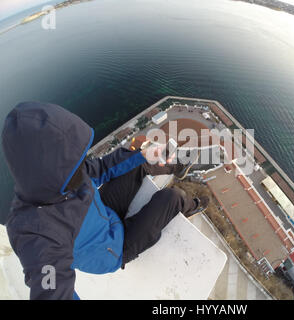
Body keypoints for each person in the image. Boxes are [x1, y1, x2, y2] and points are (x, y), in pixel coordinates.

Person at [1, 101, 209, 300]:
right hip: (114, 249)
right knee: (172, 197)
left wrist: (144, 154)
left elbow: (101, 168)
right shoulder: (33, 232)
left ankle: (175, 168)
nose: (81, 165)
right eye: (75, 161)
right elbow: (51, 291)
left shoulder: (67, 172)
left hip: (106, 212)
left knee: (137, 163)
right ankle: (192, 206)